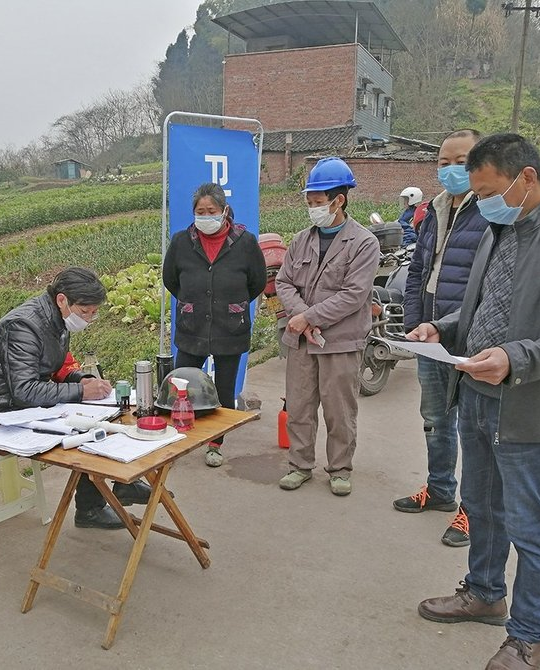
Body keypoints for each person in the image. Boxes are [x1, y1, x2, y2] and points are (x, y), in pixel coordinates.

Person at [409, 133, 540, 669]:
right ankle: (483, 593)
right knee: (480, 506)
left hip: (530, 403)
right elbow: (483, 309)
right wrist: (442, 326)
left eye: (488, 190)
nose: (482, 203)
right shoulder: (498, 229)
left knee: (530, 522)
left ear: (527, 177)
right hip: (477, 394)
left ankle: (530, 636)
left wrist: (517, 357)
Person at [0, 267, 152, 530]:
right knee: (87, 430)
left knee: (103, 417)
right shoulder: (24, 326)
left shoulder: (57, 321)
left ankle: (119, 488)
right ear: (62, 300)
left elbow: (52, 369)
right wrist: (80, 391)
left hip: (26, 408)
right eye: (84, 311)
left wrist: (80, 380)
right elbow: (25, 390)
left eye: (94, 312)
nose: (89, 319)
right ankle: (91, 508)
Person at [393, 129, 489, 548]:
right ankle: (440, 490)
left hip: (471, 336)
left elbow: (490, 285)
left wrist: (451, 325)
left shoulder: (491, 211)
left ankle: (473, 509)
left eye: (461, 162)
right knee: (435, 418)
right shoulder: (433, 209)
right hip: (429, 333)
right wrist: (416, 322)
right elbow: (417, 271)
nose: (451, 170)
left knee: (473, 425)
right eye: (444, 162)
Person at [274, 157, 380, 496]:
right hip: (302, 342)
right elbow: (284, 281)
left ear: (339, 200)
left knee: (340, 412)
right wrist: (301, 317)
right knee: (299, 408)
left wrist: (309, 318)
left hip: (341, 343)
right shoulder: (301, 240)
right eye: (309, 203)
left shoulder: (364, 243)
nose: (313, 209)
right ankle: (299, 466)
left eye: (318, 203)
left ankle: (340, 469)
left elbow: (354, 295)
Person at [162, 183, 266, 466]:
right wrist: (192, 303)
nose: (206, 216)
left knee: (223, 391)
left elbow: (256, 282)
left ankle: (215, 443)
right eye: (200, 211)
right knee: (181, 387)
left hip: (229, 329)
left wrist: (233, 305)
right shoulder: (182, 242)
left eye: (211, 211)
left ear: (225, 211)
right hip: (191, 327)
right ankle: (176, 439)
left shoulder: (245, 243)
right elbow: (171, 279)